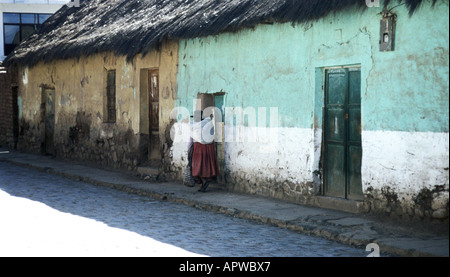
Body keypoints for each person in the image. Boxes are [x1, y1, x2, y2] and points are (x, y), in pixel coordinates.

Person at [191, 111, 219, 192]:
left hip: (198, 149)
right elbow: (212, 135)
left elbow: (190, 141)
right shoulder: (208, 124)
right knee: (207, 165)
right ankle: (206, 181)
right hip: (209, 148)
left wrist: (189, 149)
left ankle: (203, 182)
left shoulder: (194, 127)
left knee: (198, 167)